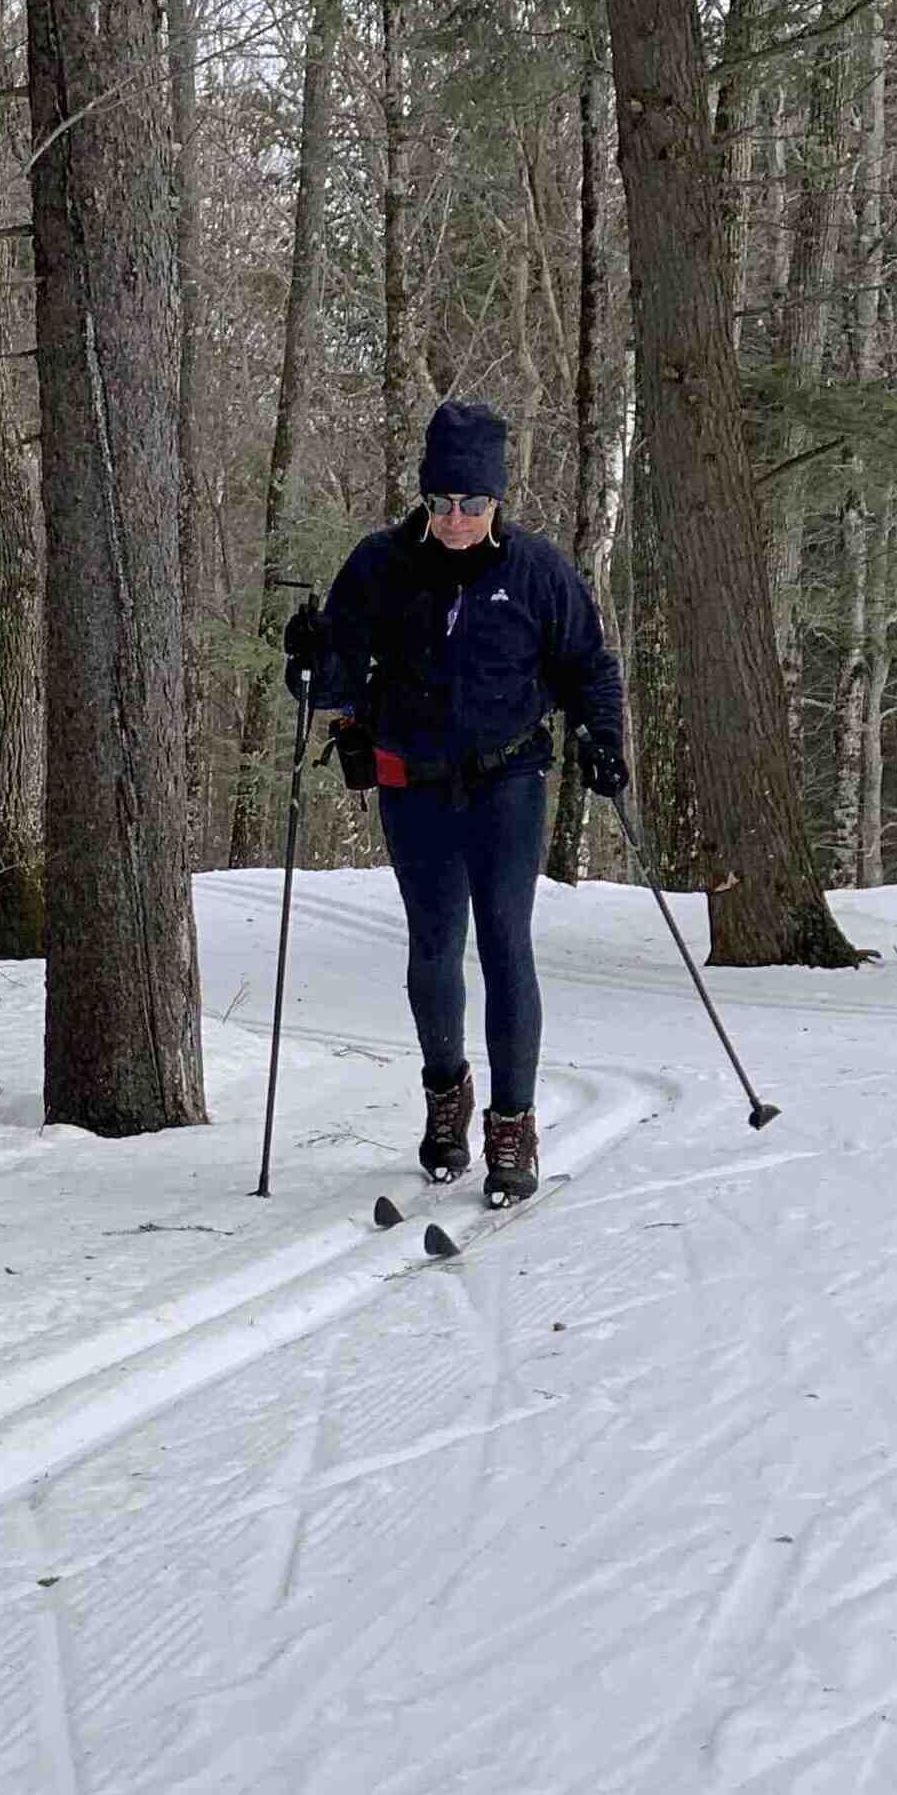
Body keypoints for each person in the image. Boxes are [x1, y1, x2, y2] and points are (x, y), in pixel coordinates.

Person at [281, 399, 628, 1207]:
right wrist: (306, 659)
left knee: (506, 941)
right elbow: (331, 684)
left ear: (497, 500)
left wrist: (602, 739)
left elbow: (590, 667)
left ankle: (513, 1122)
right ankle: (448, 1098)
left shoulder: (537, 571)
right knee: (434, 945)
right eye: (442, 503)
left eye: (473, 504)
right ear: (425, 500)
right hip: (414, 784)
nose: (458, 519)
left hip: (509, 781)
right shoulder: (380, 565)